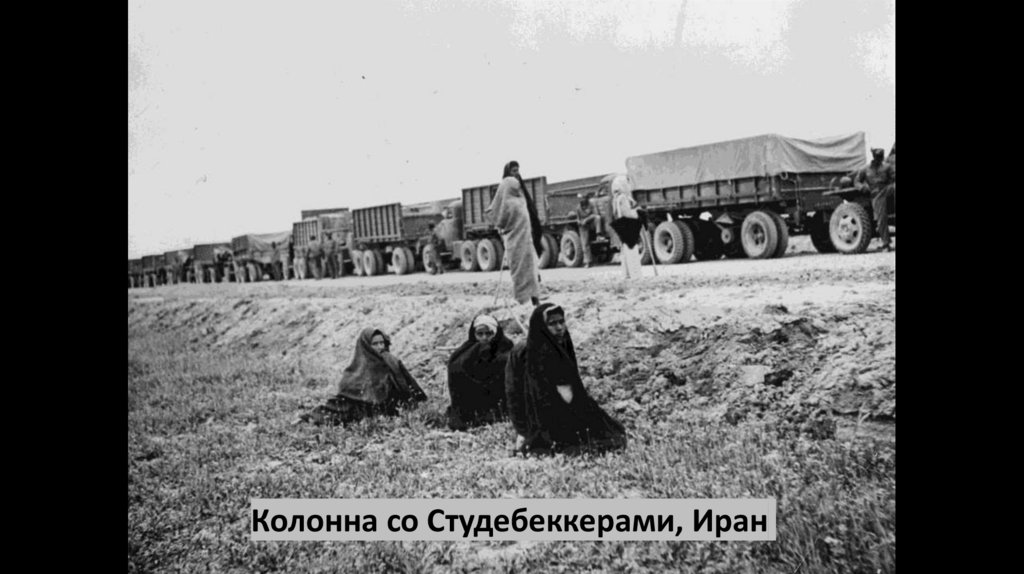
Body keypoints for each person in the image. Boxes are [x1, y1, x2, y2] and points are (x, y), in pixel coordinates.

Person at [505, 303, 627, 455]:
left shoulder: (563, 343)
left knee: (608, 434)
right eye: (552, 324)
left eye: (561, 322)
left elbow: (572, 385)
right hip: (540, 414)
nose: (559, 328)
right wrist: (522, 431)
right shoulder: (524, 351)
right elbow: (514, 392)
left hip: (566, 405)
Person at [304, 328, 427, 426]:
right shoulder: (357, 368)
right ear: (366, 346)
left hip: (390, 410)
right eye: (375, 344)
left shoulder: (392, 362)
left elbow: (409, 386)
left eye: (382, 343)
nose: (380, 347)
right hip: (363, 412)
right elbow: (347, 393)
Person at [486, 161, 542, 305]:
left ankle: (535, 299)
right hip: (515, 242)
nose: (516, 174)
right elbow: (496, 214)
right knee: (520, 271)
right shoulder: (506, 192)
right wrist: (502, 227)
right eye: (513, 171)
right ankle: (523, 300)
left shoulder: (521, 195)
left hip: (527, 239)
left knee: (532, 270)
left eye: (517, 170)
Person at [445, 315, 514, 430]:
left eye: (489, 333)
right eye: (480, 334)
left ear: (496, 333)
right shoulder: (463, 354)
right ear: (474, 334)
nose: (484, 338)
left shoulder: (506, 353)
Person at [854, 147, 896, 252]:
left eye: (880, 157)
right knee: (881, 218)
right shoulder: (865, 169)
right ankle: (886, 244)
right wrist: (862, 187)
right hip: (875, 194)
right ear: (874, 157)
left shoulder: (887, 167)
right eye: (877, 157)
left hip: (886, 189)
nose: (879, 159)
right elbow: (857, 181)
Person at [608, 175, 643, 279]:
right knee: (632, 252)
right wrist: (637, 213)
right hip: (628, 225)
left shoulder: (615, 199)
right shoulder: (623, 198)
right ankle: (635, 275)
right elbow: (627, 213)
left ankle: (627, 274)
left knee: (625, 252)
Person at [575, 194, 602, 267]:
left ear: (586, 199)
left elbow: (596, 214)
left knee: (598, 218)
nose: (582, 200)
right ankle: (587, 261)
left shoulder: (591, 204)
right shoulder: (578, 207)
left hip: (592, 222)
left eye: (583, 198)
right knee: (585, 243)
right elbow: (578, 218)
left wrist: (586, 220)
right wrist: (580, 222)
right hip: (583, 226)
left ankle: (599, 235)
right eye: (581, 199)